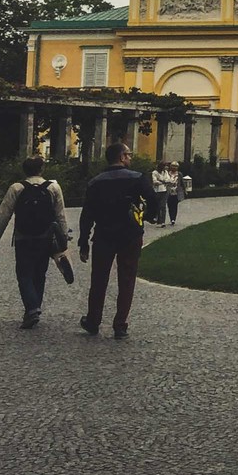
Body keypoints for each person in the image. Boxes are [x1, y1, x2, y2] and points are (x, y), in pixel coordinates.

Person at [78, 142, 159, 339]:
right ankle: (120, 324)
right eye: (129, 155)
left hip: (104, 235)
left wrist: (83, 241)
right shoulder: (137, 178)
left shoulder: (96, 182)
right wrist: (146, 217)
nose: (130, 158)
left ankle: (93, 321)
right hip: (130, 235)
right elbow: (154, 201)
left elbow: (87, 214)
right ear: (122, 157)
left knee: (98, 280)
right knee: (127, 279)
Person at [0, 156, 75, 329]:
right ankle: (35, 307)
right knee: (40, 274)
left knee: (24, 273)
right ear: (42, 169)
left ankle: (31, 308)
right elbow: (60, 215)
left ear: (24, 170)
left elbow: (2, 216)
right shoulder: (53, 187)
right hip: (46, 237)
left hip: (23, 237)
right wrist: (63, 239)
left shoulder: (16, 188)